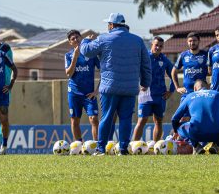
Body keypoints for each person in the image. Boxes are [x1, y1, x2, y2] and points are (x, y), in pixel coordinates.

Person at [81, 13, 151, 156]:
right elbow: (146, 64)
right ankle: (123, 149)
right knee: (126, 119)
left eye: (108, 24)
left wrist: (85, 41)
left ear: (112, 25)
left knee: (106, 117)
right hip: (130, 88)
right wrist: (145, 82)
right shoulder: (138, 41)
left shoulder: (104, 38)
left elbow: (86, 52)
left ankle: (101, 149)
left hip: (109, 87)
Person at [171, 80, 219, 155]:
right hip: (217, 133)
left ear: (195, 88)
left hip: (197, 133)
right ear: (208, 88)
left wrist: (175, 131)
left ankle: (196, 146)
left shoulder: (190, 96)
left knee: (179, 127)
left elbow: (174, 118)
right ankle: (216, 145)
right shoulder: (217, 94)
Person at [133, 36, 175, 143]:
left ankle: (156, 146)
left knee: (158, 121)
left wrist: (171, 90)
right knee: (142, 120)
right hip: (145, 95)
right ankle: (134, 146)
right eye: (156, 45)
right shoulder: (144, 57)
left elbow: (173, 74)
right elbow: (134, 70)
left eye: (161, 46)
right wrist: (138, 85)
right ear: (152, 44)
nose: (158, 48)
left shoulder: (164, 59)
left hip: (160, 96)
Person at [64, 30, 100, 144]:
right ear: (70, 42)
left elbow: (103, 72)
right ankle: (78, 145)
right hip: (74, 93)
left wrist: (96, 91)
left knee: (94, 119)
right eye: (73, 39)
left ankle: (97, 146)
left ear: (81, 38)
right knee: (75, 120)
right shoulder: (68, 55)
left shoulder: (91, 54)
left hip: (89, 94)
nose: (76, 40)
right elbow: (68, 74)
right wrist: (75, 57)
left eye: (77, 37)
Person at [172, 32, 208, 99]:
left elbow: (211, 71)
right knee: (181, 110)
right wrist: (177, 88)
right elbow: (173, 72)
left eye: (194, 41)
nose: (192, 43)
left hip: (200, 93)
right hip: (186, 94)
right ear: (187, 42)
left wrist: (208, 84)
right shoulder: (183, 55)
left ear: (199, 41)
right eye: (190, 41)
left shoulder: (205, 55)